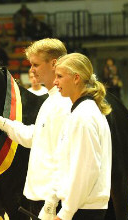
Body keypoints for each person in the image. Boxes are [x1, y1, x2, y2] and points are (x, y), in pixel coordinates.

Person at [0, 38, 72, 217]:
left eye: (36, 64)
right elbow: (34, 137)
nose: (31, 70)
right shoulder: (51, 100)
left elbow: (65, 158)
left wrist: (52, 202)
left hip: (54, 201)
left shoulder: (63, 103)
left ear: (54, 64)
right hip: (41, 198)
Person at [48, 52, 112, 220]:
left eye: (60, 76)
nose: (55, 82)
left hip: (83, 209)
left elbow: (86, 170)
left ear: (76, 78)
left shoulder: (83, 116)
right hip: (83, 205)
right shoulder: (84, 111)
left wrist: (66, 213)